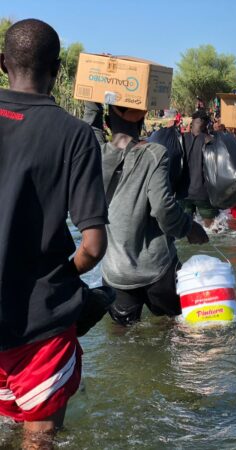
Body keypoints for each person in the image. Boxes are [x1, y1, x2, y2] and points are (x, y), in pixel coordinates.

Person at [0, 19, 108, 448]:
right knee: (39, 436)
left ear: (2, 63)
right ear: (59, 70)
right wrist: (61, 278)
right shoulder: (76, 136)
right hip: (41, 324)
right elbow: (94, 245)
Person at [87, 102, 209, 326]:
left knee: (122, 338)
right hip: (157, 269)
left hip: (116, 273)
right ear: (143, 121)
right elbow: (163, 208)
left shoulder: (94, 153)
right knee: (176, 329)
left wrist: (93, 97)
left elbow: (90, 127)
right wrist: (189, 227)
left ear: (106, 124)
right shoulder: (154, 154)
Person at [179, 110, 220, 227]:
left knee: (186, 227)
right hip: (203, 192)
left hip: (183, 193)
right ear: (205, 123)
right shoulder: (210, 141)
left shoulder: (181, 139)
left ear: (193, 122)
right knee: (213, 228)